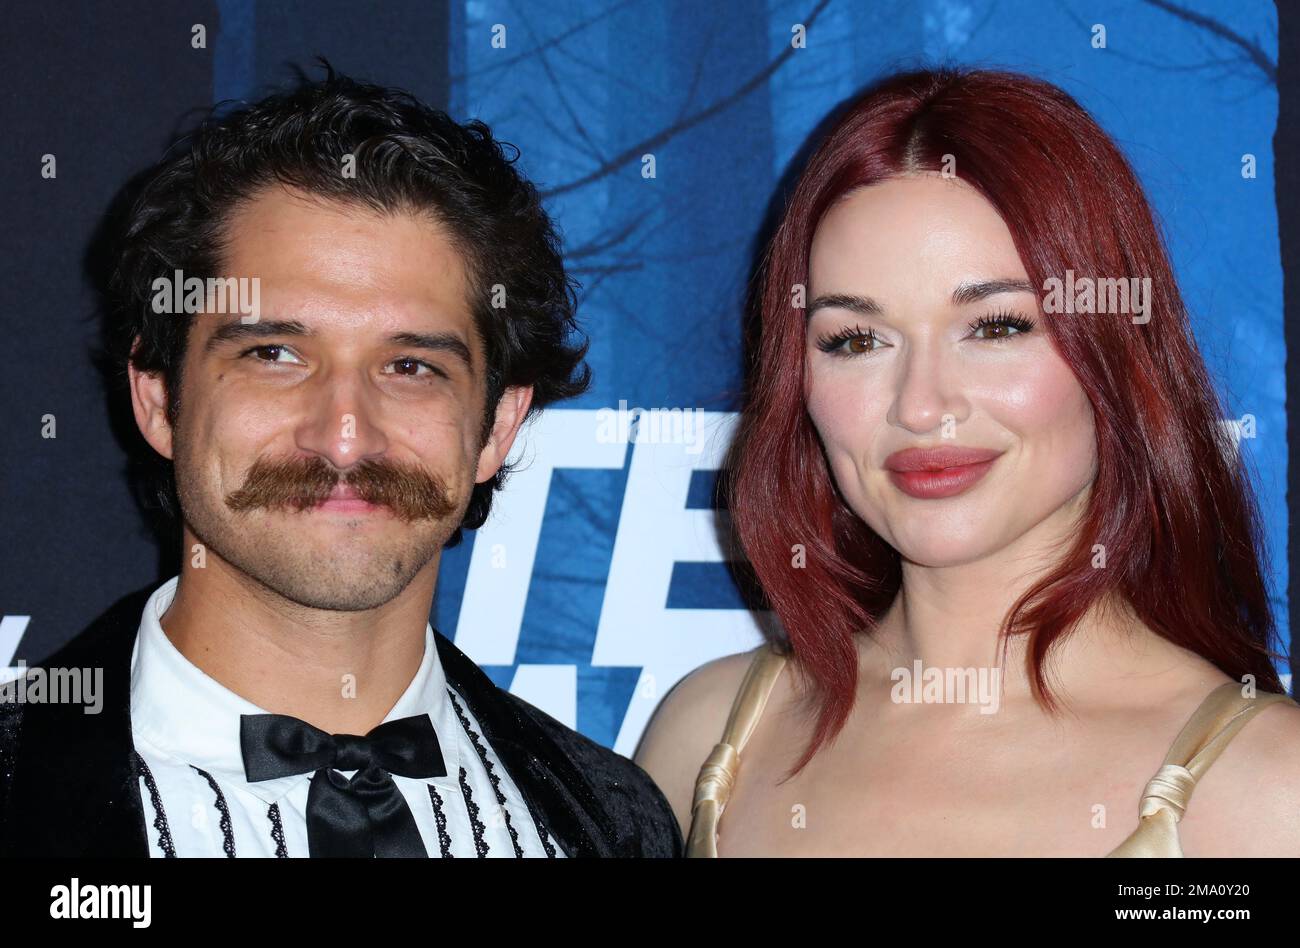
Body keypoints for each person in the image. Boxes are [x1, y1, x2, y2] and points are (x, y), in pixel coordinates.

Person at [0, 64, 680, 859]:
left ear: (498, 423)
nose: (346, 435)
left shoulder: (615, 824)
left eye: (411, 366)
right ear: (158, 398)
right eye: (275, 353)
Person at [635, 67, 1300, 857]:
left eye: (996, 327)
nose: (921, 405)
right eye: (855, 339)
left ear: (1117, 353)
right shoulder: (712, 740)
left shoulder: (1261, 791)